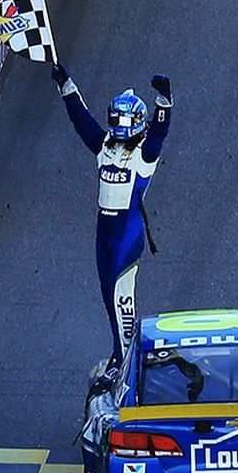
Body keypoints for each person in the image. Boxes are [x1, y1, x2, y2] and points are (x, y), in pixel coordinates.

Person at [51, 62, 173, 370]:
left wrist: (164, 100)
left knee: (121, 296)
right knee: (108, 294)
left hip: (127, 232)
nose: (117, 125)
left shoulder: (145, 152)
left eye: (123, 119)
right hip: (103, 229)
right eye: (115, 118)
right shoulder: (105, 146)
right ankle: (124, 352)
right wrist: (67, 87)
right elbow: (83, 123)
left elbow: (160, 131)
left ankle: (125, 359)